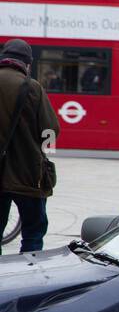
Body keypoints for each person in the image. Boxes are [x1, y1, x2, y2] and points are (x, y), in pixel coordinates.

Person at [0, 39, 59, 254]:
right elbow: (50, 129)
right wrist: (45, 152)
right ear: (27, 64)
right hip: (27, 175)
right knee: (33, 232)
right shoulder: (31, 87)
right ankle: (28, 278)